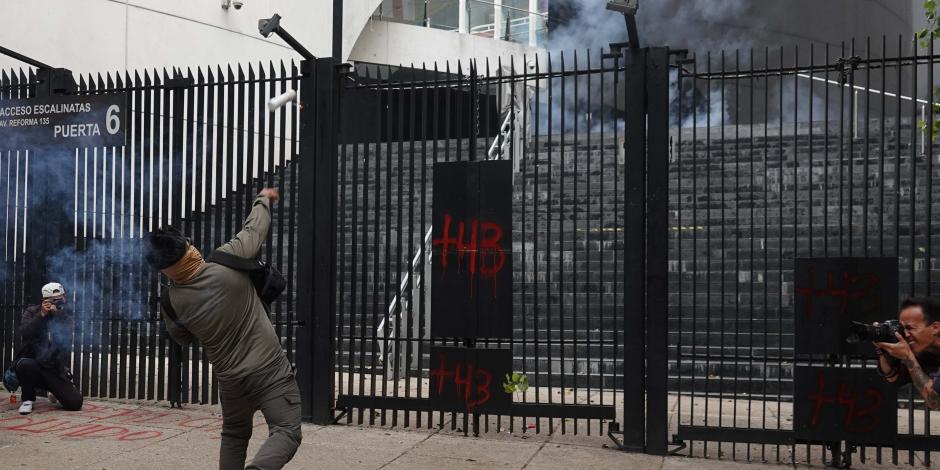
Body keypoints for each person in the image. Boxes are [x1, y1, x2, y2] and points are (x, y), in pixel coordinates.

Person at [146, 188, 300, 470]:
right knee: (287, 431)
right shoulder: (226, 260)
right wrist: (264, 197)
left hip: (230, 380)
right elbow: (256, 227)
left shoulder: (172, 300)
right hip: (269, 368)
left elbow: (182, 338)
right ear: (188, 246)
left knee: (235, 435)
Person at [13, 282, 83, 414]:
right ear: (44, 300)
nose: (58, 302)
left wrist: (57, 315)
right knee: (24, 365)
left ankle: (54, 391)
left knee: (75, 403)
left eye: (61, 298)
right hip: (34, 363)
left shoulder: (66, 315)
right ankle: (28, 399)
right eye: (54, 300)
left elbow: (65, 339)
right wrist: (42, 315)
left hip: (54, 368)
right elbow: (24, 332)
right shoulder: (32, 311)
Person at [873, 296, 940, 410]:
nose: (906, 335)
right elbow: (893, 377)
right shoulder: (924, 352)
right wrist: (883, 348)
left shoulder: (912, 353)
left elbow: (934, 400)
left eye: (910, 328)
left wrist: (908, 356)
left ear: (935, 328)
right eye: (903, 329)